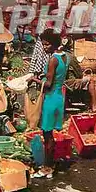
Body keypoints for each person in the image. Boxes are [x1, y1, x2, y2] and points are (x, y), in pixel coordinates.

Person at [32, 29, 69, 179]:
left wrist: (33, 79)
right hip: (59, 97)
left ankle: (47, 167)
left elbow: (47, 84)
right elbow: (57, 77)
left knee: (47, 135)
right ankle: (50, 164)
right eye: (43, 44)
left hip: (51, 98)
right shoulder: (64, 56)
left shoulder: (52, 59)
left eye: (47, 44)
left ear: (53, 44)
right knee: (50, 134)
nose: (45, 47)